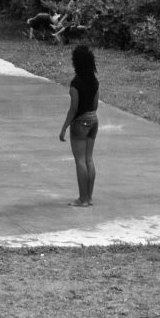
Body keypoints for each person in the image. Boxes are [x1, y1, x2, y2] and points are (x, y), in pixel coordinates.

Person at [59, 45, 100, 207]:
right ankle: (89, 197)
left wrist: (64, 128)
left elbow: (74, 108)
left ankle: (82, 199)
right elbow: (95, 104)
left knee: (80, 161)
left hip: (80, 123)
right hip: (93, 120)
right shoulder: (94, 80)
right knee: (89, 159)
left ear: (76, 62)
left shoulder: (76, 83)